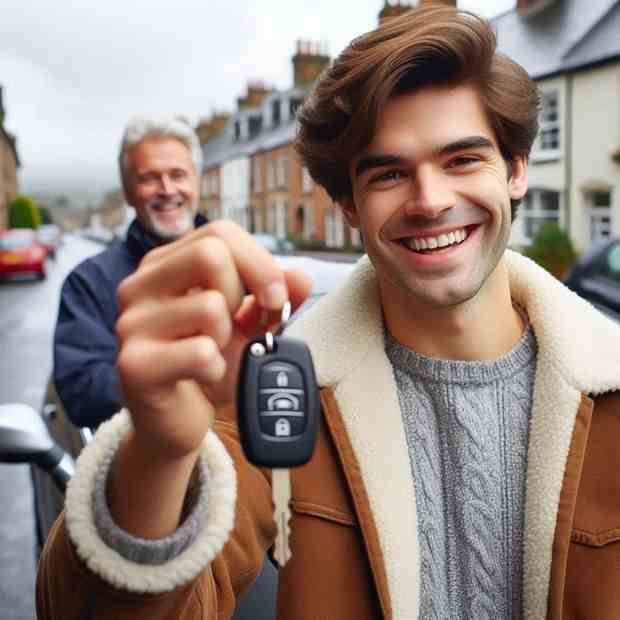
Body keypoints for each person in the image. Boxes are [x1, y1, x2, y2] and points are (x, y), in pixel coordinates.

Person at [37, 5, 620, 619]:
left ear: (517, 171)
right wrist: (156, 451)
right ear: (347, 206)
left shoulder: (609, 388)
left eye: (463, 159)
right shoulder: (281, 396)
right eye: (389, 173)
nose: (429, 200)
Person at [52, 117, 207, 428]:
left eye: (178, 174)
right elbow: (83, 395)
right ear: (127, 191)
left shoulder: (247, 272)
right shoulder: (89, 283)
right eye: (149, 178)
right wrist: (171, 373)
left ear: (196, 182)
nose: (166, 189)